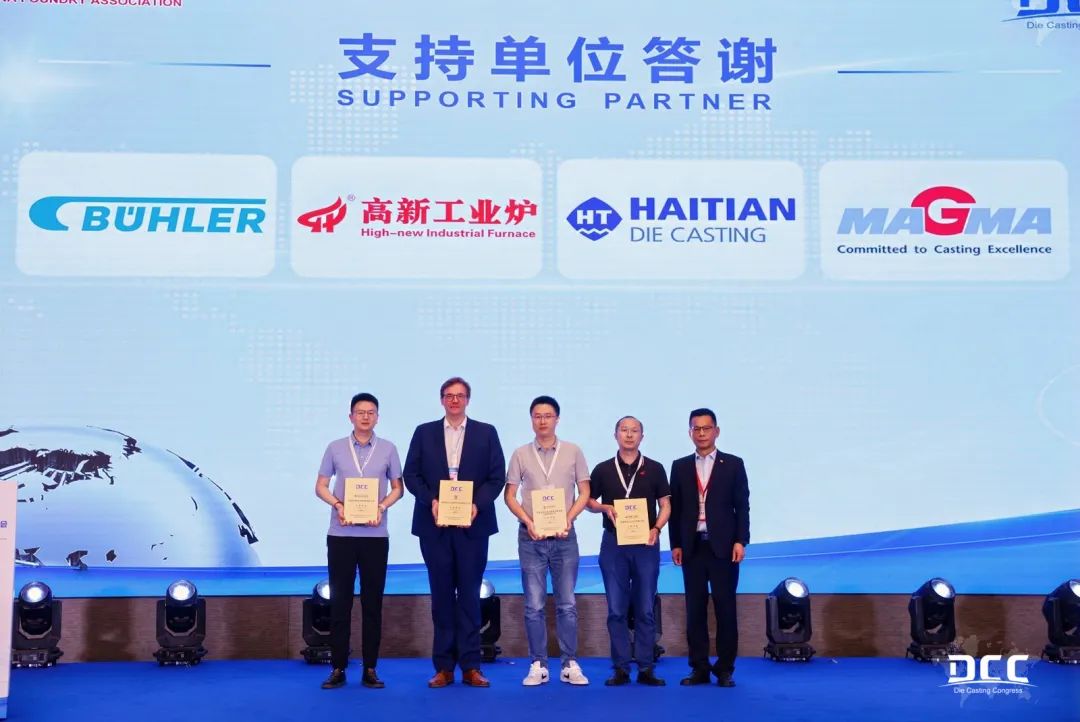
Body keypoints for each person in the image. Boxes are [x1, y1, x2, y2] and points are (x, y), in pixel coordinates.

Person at [403, 377, 506, 688]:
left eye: (460, 396)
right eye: (449, 396)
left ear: (468, 400)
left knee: (470, 597)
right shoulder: (424, 432)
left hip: (473, 526)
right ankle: (444, 667)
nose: (455, 401)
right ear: (442, 400)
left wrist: (476, 505)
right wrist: (432, 501)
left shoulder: (486, 433)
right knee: (442, 597)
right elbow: (411, 475)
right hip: (434, 526)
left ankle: (471, 666)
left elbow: (496, 477)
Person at [314, 392, 404, 689]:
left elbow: (398, 488)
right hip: (341, 535)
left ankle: (370, 668)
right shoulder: (335, 448)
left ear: (377, 417)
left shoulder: (388, 449)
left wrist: (382, 507)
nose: (365, 417)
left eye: (371, 412)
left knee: (372, 603)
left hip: (375, 537)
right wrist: (338, 505)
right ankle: (338, 667)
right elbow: (320, 486)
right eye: (360, 412)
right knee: (340, 602)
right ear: (350, 416)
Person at [504, 395, 591, 686]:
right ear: (532, 420)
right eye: (537, 416)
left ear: (557, 419)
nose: (543, 421)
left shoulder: (573, 451)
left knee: (567, 604)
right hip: (531, 538)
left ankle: (569, 664)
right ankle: (538, 664)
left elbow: (585, 492)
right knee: (534, 605)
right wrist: (528, 521)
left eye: (548, 415)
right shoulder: (520, 454)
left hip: (565, 537)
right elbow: (509, 495)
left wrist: (569, 518)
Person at [587, 415, 670, 687]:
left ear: (642, 437)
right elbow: (588, 501)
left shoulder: (655, 468)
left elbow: (665, 505)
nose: (629, 434)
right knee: (616, 609)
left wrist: (657, 528)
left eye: (635, 431)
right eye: (624, 430)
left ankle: (646, 668)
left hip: (646, 544)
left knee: (645, 609)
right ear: (616, 435)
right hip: (614, 544)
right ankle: (621, 668)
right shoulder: (603, 469)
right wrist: (604, 508)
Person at [668, 408, 750, 688]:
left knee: (726, 609)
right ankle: (699, 668)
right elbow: (676, 510)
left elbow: (742, 506)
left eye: (706, 428)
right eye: (696, 428)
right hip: (692, 547)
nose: (701, 433)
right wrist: (676, 544)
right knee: (695, 611)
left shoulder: (733, 464)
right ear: (690, 432)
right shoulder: (680, 466)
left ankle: (725, 669)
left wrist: (741, 540)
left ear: (716, 431)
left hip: (724, 548)